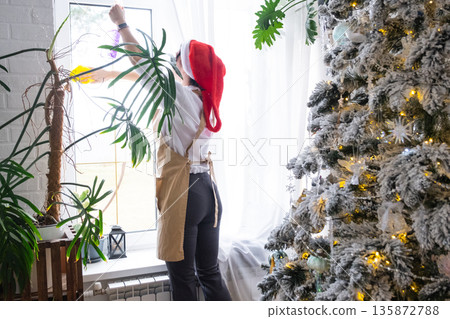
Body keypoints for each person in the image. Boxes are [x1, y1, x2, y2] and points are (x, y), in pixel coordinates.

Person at [104, 4, 232, 301]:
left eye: (178, 57)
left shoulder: (179, 97)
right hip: (209, 194)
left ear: (186, 66)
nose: (174, 60)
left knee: (183, 281)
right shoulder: (205, 102)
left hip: (183, 193)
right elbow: (149, 79)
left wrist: (121, 23)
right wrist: (110, 74)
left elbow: (143, 65)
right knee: (209, 273)